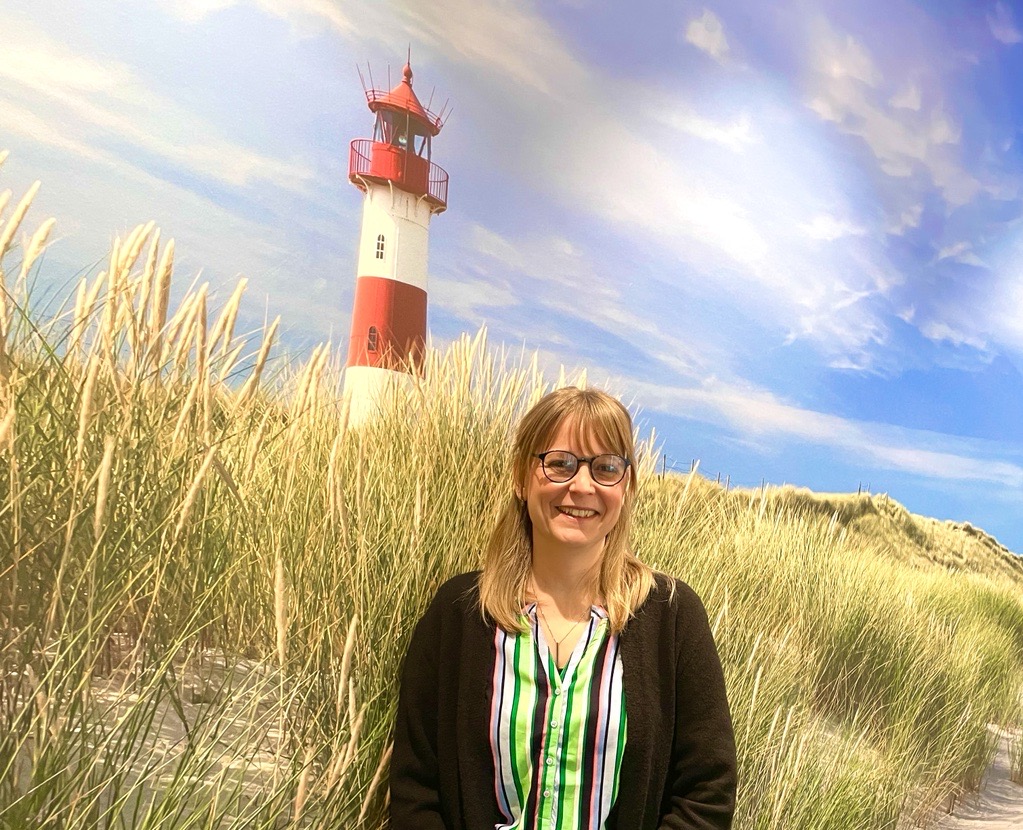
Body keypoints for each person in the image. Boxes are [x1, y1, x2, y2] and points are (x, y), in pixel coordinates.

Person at [390, 387, 736, 830]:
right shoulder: (459, 613)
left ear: (626, 486)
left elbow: (707, 791)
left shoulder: (672, 616)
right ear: (521, 476)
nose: (582, 485)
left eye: (606, 467)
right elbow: (415, 788)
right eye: (560, 463)